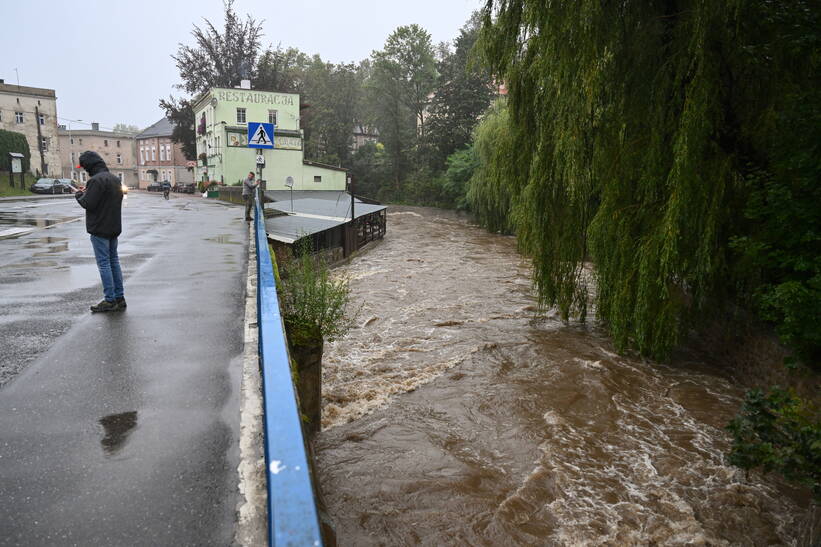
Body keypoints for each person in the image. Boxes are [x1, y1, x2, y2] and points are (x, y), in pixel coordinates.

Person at [74, 151, 126, 313]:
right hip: (114, 227)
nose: (84, 170)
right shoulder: (114, 179)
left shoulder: (96, 181)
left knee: (104, 264)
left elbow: (88, 203)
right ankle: (119, 298)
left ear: (89, 166)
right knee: (114, 262)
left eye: (84, 167)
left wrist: (79, 195)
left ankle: (109, 300)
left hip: (99, 228)